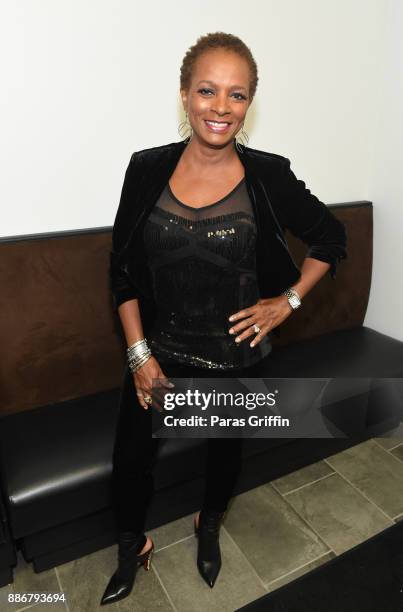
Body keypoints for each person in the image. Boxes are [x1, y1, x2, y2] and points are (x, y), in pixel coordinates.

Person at [100, 31, 347, 605]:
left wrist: (287, 301)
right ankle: (131, 545)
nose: (220, 107)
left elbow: (331, 238)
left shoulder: (268, 175)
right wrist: (140, 356)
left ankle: (207, 523)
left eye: (236, 96)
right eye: (207, 90)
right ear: (185, 95)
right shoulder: (144, 170)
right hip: (159, 350)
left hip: (234, 354)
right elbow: (122, 274)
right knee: (130, 459)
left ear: (249, 104)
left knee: (225, 452)